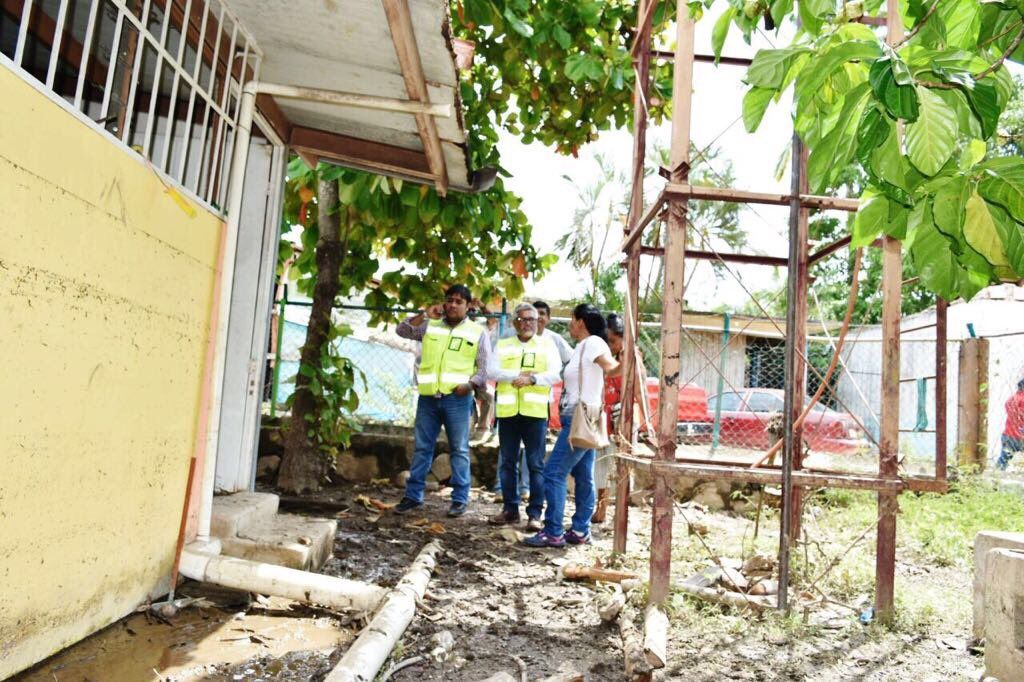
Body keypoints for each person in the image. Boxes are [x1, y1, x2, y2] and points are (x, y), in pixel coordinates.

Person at [394, 284, 494, 517]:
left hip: (457, 400)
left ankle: (459, 499)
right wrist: (423, 313)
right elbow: (402, 330)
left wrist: (468, 385)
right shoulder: (430, 326)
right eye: (449, 300)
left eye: (459, 301)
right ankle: (413, 496)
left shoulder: (477, 332)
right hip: (428, 398)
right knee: (422, 448)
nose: (452, 305)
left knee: (459, 449)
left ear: (468, 306)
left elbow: (484, 369)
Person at [524, 303, 619, 548]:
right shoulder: (581, 347)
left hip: (579, 419)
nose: (569, 324)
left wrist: (627, 357)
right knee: (583, 475)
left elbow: (610, 368)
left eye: (572, 319)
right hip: (579, 417)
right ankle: (579, 530)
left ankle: (553, 531)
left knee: (553, 473)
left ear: (580, 322)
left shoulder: (593, 343)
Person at [488, 303, 562, 530]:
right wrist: (517, 376)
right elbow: (491, 370)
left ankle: (535, 515)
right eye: (524, 319)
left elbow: (555, 373)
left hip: (535, 413)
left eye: (533, 319)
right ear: (515, 322)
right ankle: (510, 510)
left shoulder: (547, 345)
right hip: (509, 412)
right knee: (508, 463)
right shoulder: (503, 345)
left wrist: (533, 379)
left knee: (535, 464)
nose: (529, 323)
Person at [592, 313, 625, 524]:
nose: (611, 346)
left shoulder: (631, 357)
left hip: (620, 419)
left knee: (621, 467)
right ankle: (601, 507)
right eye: (608, 341)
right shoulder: (602, 357)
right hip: (602, 418)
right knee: (601, 466)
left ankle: (619, 510)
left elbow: (636, 391)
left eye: (613, 341)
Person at [534, 300, 573, 367]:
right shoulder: (519, 337)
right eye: (534, 313)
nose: (538, 316)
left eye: (542, 313)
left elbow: (570, 359)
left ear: (548, 318)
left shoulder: (555, 338)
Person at [997, 379, 1024, 471]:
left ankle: (997, 475)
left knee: (1003, 459)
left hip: (1008, 434)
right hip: (1021, 436)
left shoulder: (1012, 399)